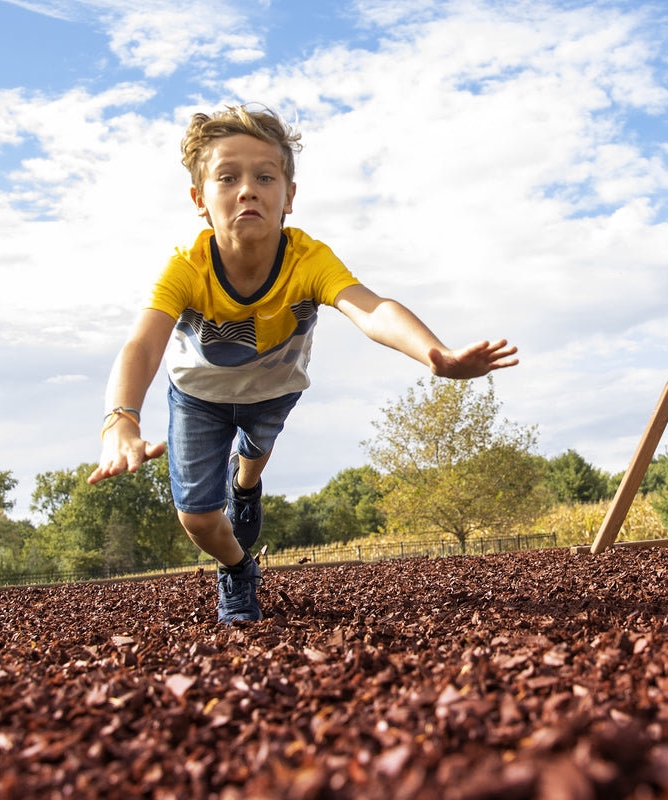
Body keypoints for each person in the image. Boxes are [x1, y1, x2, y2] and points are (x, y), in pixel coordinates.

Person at [88, 104, 519, 623]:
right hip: (199, 398)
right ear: (200, 200)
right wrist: (122, 419)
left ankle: (246, 484)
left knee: (255, 449)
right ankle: (238, 568)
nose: (247, 189)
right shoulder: (187, 268)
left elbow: (372, 307)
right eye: (228, 178)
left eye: (265, 177)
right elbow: (142, 344)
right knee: (198, 519)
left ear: (288, 196)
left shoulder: (308, 260)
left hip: (273, 389)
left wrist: (435, 353)